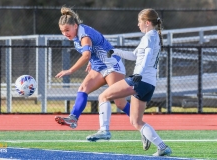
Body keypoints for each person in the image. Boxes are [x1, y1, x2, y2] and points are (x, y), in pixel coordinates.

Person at [86, 8, 172, 156]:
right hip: (149, 84)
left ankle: (104, 130)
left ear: (147, 22)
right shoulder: (152, 36)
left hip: (140, 80)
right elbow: (134, 55)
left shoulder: (150, 36)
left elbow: (147, 56)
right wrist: (115, 51)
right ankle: (162, 147)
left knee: (103, 97)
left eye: (139, 22)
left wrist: (138, 73)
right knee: (136, 121)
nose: (138, 24)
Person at [54, 6, 131, 142]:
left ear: (75, 26)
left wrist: (70, 70)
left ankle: (140, 122)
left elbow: (86, 55)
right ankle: (73, 119)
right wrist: (91, 60)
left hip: (112, 65)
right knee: (83, 89)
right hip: (99, 66)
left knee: (119, 102)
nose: (65, 33)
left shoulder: (83, 35)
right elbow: (93, 50)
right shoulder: (77, 35)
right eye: (62, 31)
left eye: (67, 30)